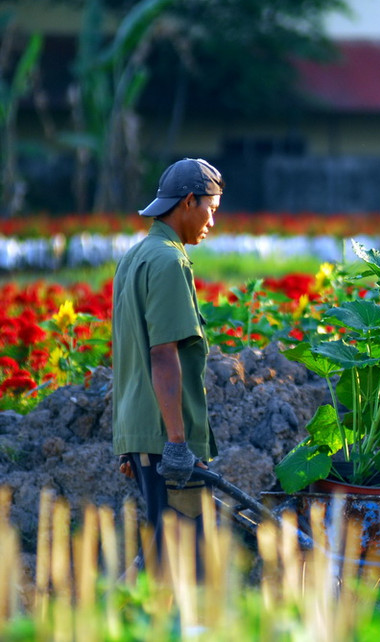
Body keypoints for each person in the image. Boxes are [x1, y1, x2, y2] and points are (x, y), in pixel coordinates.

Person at [112, 158, 224, 569]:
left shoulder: (136, 256)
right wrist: (178, 443)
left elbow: (126, 353)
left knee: (165, 551)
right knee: (184, 561)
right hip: (168, 441)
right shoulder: (169, 262)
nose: (213, 221)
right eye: (211, 210)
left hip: (146, 436)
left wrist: (130, 440)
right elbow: (162, 354)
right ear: (189, 201)